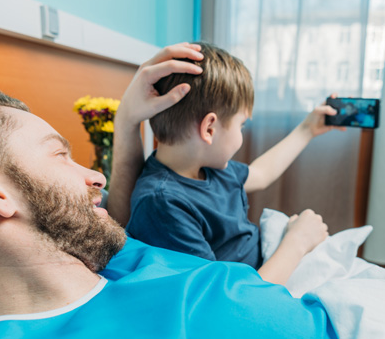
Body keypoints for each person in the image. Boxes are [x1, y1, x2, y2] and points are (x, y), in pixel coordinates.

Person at [0, 44, 346, 339]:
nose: (96, 176)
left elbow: (119, 209)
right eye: (60, 155)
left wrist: (128, 120)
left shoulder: (105, 251)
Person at [124, 42, 344, 285]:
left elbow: (262, 173)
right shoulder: (163, 203)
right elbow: (224, 300)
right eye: (241, 125)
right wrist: (298, 241)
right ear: (209, 128)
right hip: (254, 287)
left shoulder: (211, 169)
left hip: (265, 268)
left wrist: (308, 129)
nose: (242, 134)